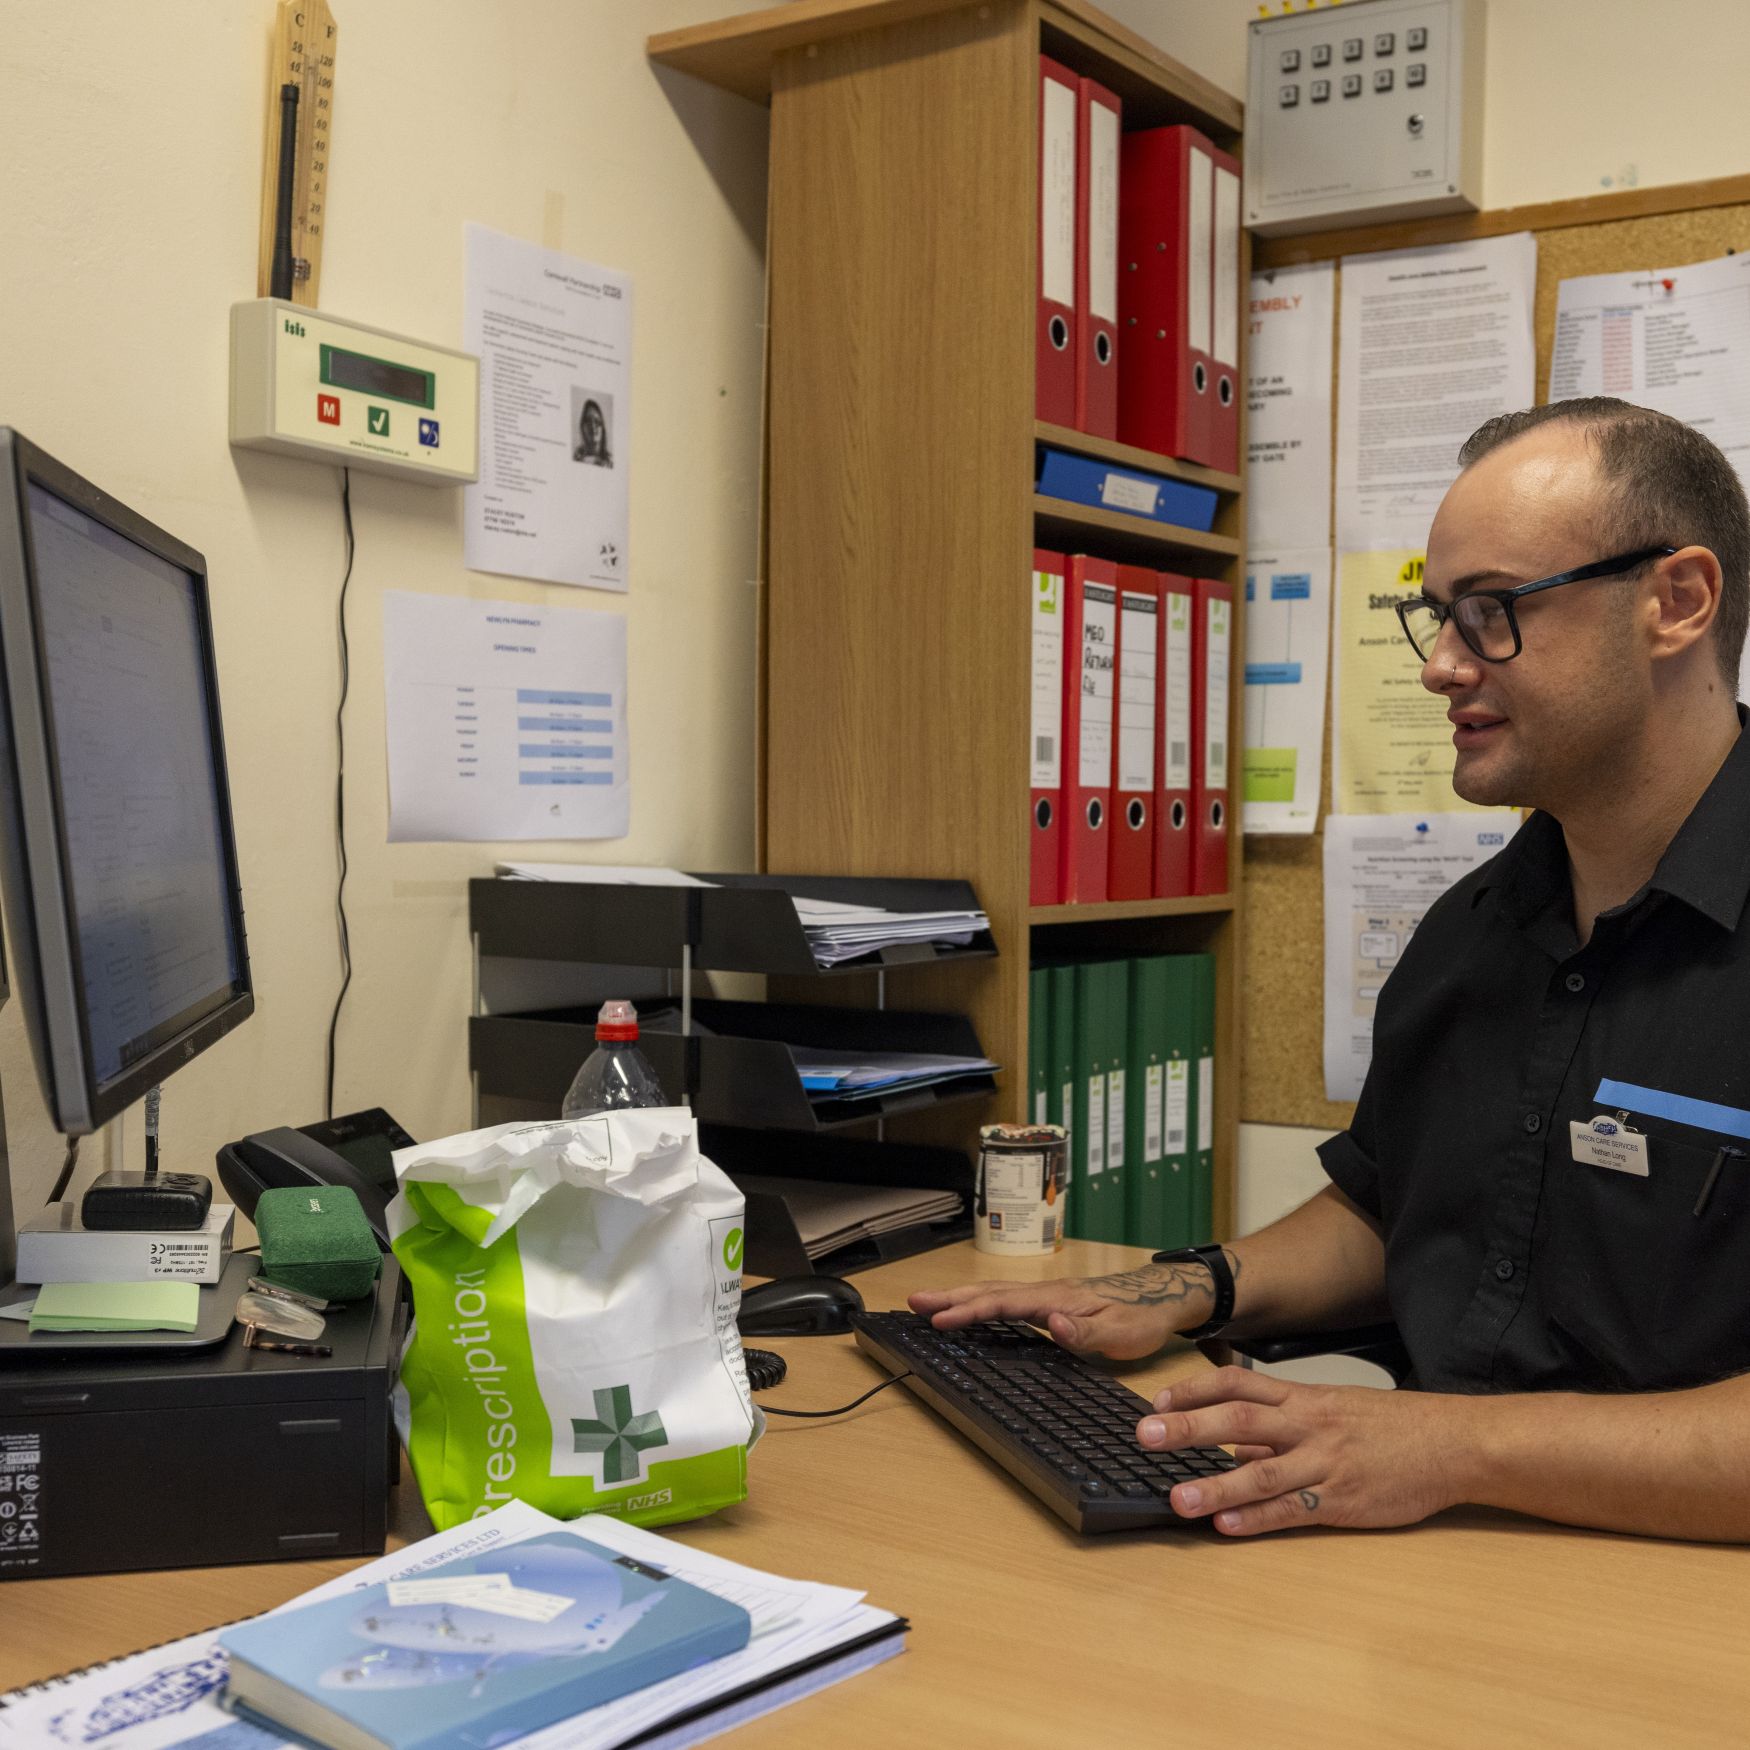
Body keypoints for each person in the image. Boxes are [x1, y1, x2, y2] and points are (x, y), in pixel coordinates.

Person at [915, 398, 1750, 1543]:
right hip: (1438, 1553)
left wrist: (1450, 1445)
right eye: (1436, 617)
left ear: (1676, 602)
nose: (1440, 666)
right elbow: (1391, 1205)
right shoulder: (1477, 924)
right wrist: (1178, 1286)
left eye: (1490, 610)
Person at [574, 397, 611, 466]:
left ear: (603, 428)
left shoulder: (610, 462)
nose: (593, 426)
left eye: (597, 421)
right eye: (588, 421)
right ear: (582, 427)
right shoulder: (576, 459)